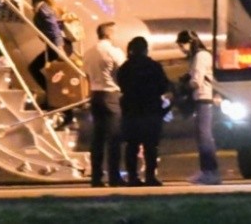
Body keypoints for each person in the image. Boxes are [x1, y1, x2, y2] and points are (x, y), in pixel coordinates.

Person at [117, 36, 169, 187]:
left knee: (131, 145)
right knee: (150, 146)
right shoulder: (153, 66)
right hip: (151, 109)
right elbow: (163, 86)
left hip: (131, 110)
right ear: (146, 49)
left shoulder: (125, 67)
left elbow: (121, 85)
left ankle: (133, 177)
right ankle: (150, 176)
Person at [83, 22, 127, 187]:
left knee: (97, 138)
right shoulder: (114, 52)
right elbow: (123, 72)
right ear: (109, 34)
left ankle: (96, 177)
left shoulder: (88, 53)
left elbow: (86, 75)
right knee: (114, 138)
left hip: (95, 94)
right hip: (111, 94)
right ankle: (114, 176)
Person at [177, 29, 222, 185]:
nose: (181, 49)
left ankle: (211, 171)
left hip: (204, 98)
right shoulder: (200, 56)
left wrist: (182, 88)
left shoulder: (200, 56)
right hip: (202, 98)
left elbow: (196, 80)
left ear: (189, 42)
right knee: (202, 136)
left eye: (182, 45)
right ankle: (206, 170)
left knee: (204, 136)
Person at [27, 0, 70, 108]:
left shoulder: (43, 8)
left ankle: (55, 99)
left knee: (35, 68)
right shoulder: (46, 6)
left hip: (57, 46)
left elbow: (54, 28)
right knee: (55, 76)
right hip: (58, 45)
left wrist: (60, 48)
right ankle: (56, 100)